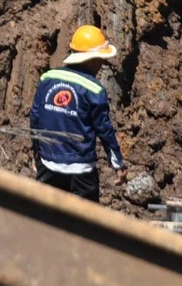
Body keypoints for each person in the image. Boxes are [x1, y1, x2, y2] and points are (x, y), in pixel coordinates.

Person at [29, 24, 125, 200]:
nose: (101, 64)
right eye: (100, 59)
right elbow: (104, 130)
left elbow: (35, 119)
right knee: (84, 224)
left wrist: (37, 154)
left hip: (48, 164)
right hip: (81, 171)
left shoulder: (47, 79)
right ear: (90, 59)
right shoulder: (94, 90)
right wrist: (117, 163)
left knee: (45, 219)